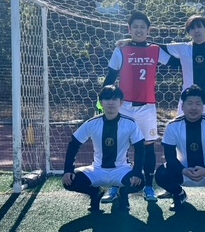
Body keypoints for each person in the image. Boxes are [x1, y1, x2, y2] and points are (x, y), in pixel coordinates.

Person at [100, 11, 176, 204]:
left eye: (143, 27)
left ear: (149, 30)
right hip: (124, 106)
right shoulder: (121, 50)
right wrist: (102, 102)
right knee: (119, 146)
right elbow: (110, 78)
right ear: (129, 29)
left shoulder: (155, 50)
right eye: (135, 27)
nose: (139, 30)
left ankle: (149, 187)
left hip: (147, 107)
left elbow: (176, 62)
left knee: (148, 146)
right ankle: (115, 185)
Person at [62, 85, 145, 213]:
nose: (110, 103)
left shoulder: (130, 123)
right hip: (97, 170)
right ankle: (95, 192)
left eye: (114, 99)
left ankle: (122, 194)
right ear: (101, 103)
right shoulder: (92, 123)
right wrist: (68, 170)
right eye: (106, 99)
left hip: (121, 170)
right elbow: (74, 144)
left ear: (121, 103)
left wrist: (137, 172)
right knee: (69, 181)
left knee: (140, 181)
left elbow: (140, 148)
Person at [155, 85, 205, 212]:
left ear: (203, 106)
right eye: (190, 103)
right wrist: (183, 170)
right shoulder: (172, 126)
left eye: (198, 104)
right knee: (161, 174)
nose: (194, 108)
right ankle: (179, 194)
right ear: (182, 106)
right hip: (184, 172)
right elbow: (170, 157)